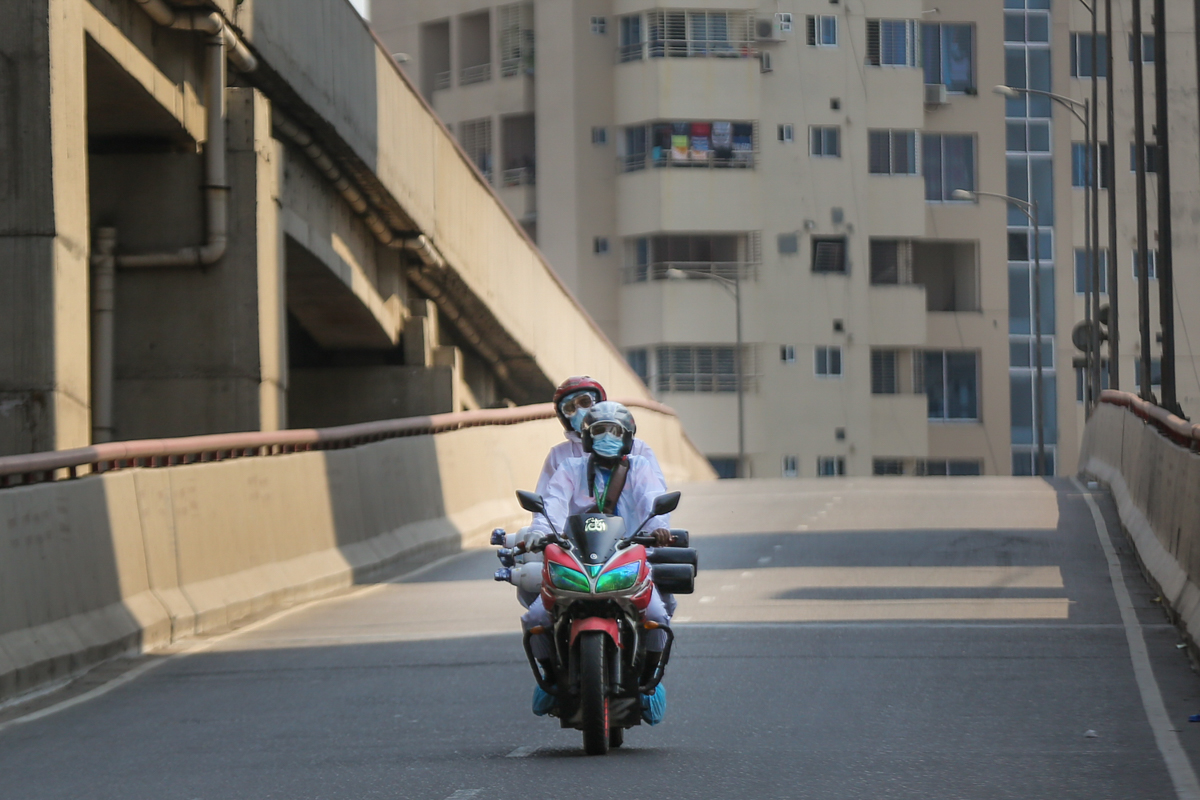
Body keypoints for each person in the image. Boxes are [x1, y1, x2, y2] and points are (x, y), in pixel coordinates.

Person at [523, 401, 673, 723]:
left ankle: (649, 680)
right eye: (600, 431)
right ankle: (550, 681)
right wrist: (539, 531)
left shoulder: (639, 468)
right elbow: (553, 504)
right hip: (576, 559)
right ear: (588, 438)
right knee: (534, 617)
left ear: (628, 438)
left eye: (615, 431)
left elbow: (652, 498)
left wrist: (659, 528)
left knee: (659, 615)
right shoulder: (570, 469)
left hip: (629, 557)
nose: (608, 437)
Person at [536, 376, 665, 497]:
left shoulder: (637, 448)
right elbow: (547, 503)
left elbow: (655, 495)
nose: (580, 411)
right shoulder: (559, 455)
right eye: (570, 408)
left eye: (585, 402)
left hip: (630, 521)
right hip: (577, 521)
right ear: (564, 417)